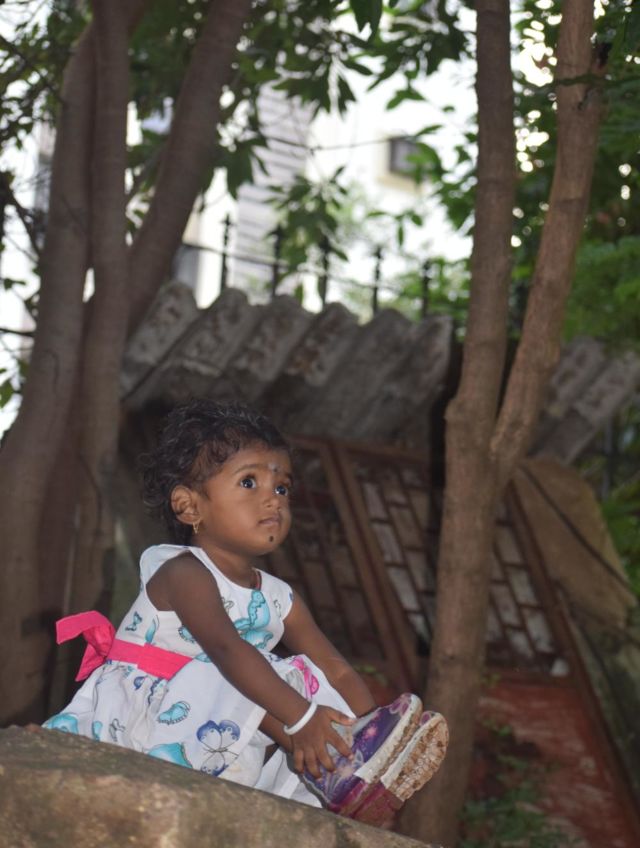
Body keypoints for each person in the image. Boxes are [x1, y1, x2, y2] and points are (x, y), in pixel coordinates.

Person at [44, 399, 448, 825]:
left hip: (215, 726)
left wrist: (370, 726)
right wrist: (302, 720)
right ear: (190, 506)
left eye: (282, 488)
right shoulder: (183, 572)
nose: (273, 500)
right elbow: (226, 649)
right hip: (148, 721)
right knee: (254, 669)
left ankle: (356, 763)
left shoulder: (279, 597)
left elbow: (336, 669)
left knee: (307, 674)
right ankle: (337, 767)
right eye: (249, 482)